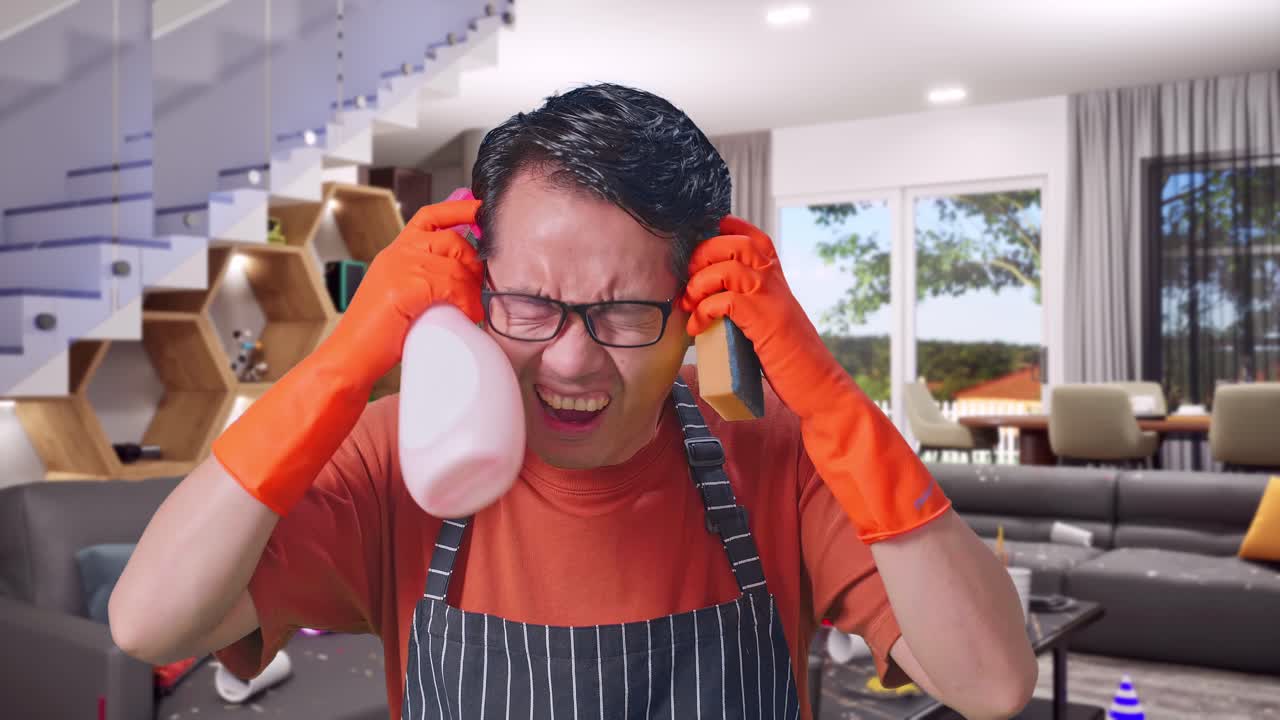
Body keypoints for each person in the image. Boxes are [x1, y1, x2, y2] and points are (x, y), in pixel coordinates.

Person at [110, 83, 1036, 720]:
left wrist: (826, 397)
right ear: (474, 288)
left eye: (626, 311)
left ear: (694, 309)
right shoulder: (394, 455)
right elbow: (149, 620)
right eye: (530, 304)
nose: (570, 359)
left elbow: (990, 683)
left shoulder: (779, 456)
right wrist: (345, 361)